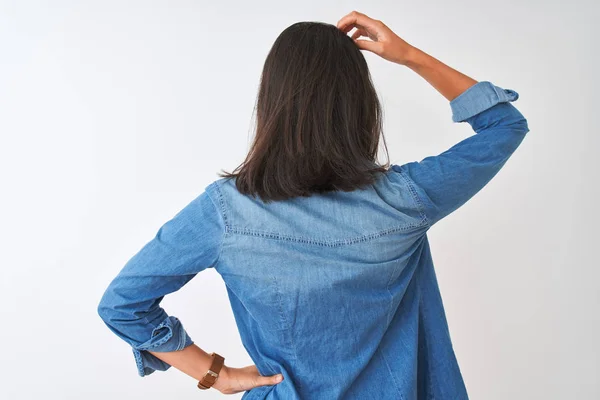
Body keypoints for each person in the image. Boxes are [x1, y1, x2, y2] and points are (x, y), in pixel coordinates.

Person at [97, 10, 529, 399]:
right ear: (360, 105)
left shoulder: (225, 213)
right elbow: (503, 126)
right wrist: (408, 55)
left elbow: (124, 303)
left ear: (271, 102)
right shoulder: (407, 198)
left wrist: (216, 373)